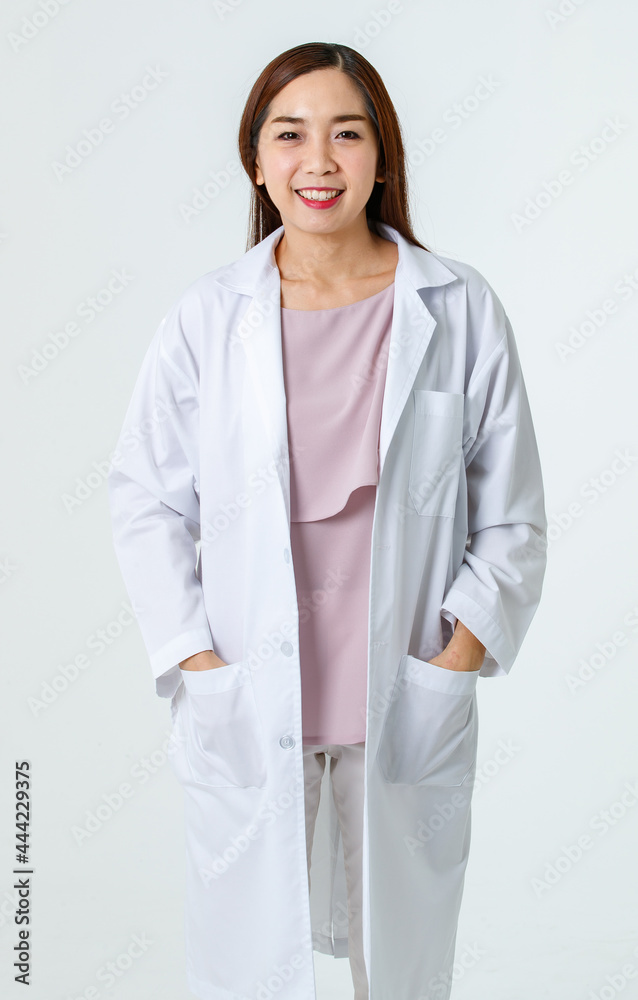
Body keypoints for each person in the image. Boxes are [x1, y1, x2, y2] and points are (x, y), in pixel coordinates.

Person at [107, 41, 547, 1000]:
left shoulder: (458, 307)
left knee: (405, 971)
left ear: (382, 157)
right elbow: (145, 498)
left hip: (404, 692)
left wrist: (457, 655)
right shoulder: (206, 319)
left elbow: (512, 517)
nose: (319, 162)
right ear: (255, 160)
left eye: (347, 135)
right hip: (249, 695)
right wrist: (197, 663)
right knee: (245, 969)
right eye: (289, 135)